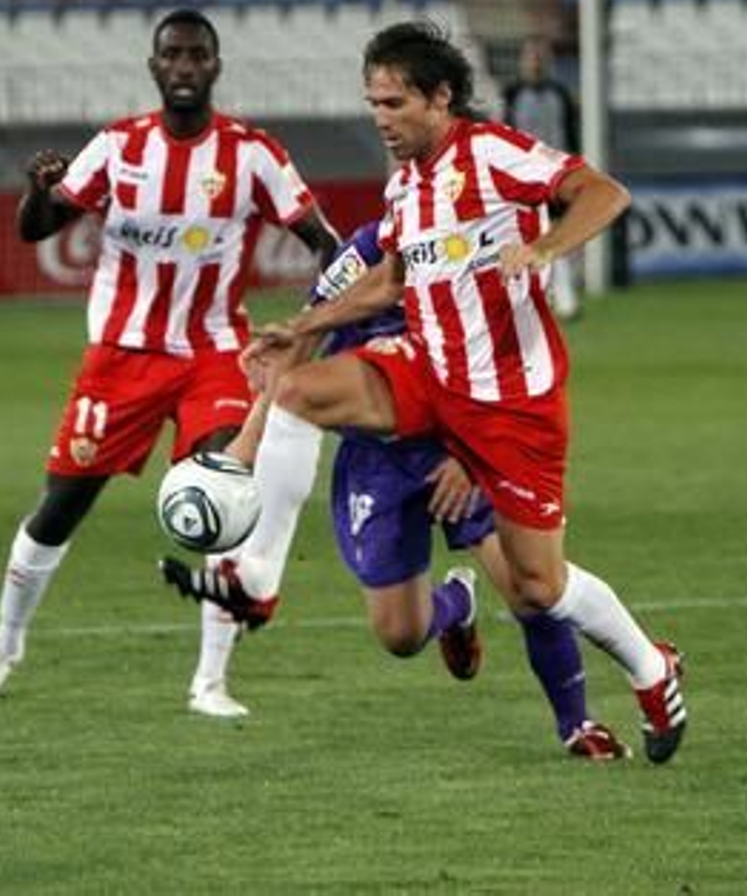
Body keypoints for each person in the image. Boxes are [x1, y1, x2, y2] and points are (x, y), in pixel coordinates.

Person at [165, 20, 686, 763]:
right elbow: (396, 278)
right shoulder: (407, 182)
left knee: (539, 589)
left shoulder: (495, 153)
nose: (381, 119)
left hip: (509, 402)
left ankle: (648, 667)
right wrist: (303, 324)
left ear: (441, 98)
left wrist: (541, 247)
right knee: (298, 391)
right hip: (426, 374)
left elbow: (604, 193)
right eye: (373, 103)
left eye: (394, 103)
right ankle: (254, 576)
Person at [0, 8, 338, 711]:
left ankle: (211, 681)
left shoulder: (252, 154)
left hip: (215, 353)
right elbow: (39, 228)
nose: (184, 66)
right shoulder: (119, 148)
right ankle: (3, 647)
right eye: (172, 55)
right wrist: (40, 190)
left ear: (215, 67)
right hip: (121, 358)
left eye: (197, 55)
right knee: (60, 507)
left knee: (225, 493)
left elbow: (325, 243)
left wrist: (320, 320)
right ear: (154, 66)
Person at [170, 221, 633, 760]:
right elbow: (305, 338)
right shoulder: (365, 252)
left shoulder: (483, 252)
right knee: (400, 634)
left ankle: (577, 725)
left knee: (529, 586)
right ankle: (455, 606)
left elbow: (517, 362)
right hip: (377, 455)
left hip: (462, 440)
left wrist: (468, 456)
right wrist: (249, 442)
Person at [502, 35, 582, 321]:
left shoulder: (561, 94)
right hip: (522, 179)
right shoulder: (511, 94)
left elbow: (573, 137)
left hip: (555, 178)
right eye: (530, 57)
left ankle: (566, 300)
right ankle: (529, 300)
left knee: (557, 236)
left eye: (539, 58)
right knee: (521, 238)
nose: (535, 63)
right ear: (523, 62)